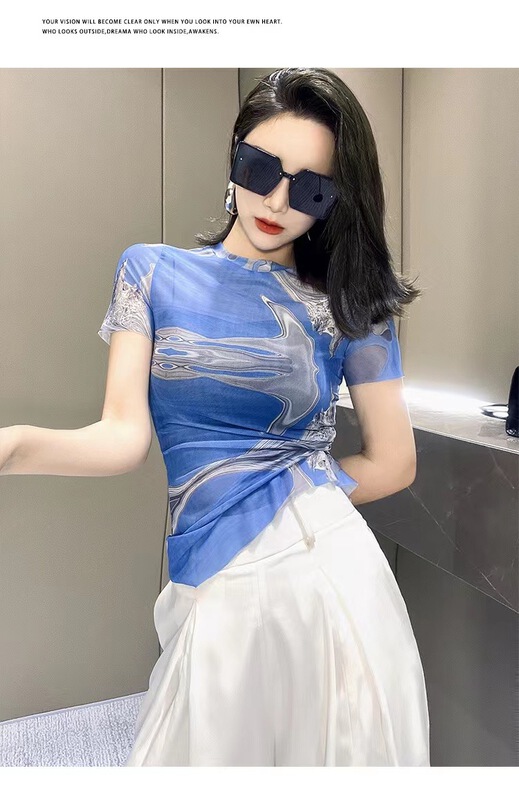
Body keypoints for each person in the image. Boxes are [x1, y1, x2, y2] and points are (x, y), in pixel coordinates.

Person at [0, 67, 430, 766]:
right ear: (233, 157)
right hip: (212, 572)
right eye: (261, 169)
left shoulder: (347, 304)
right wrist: (14, 445)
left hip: (330, 575)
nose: (277, 201)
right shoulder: (150, 272)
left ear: (333, 201)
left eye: (310, 189)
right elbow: (121, 438)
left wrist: (295, 495)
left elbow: (394, 461)